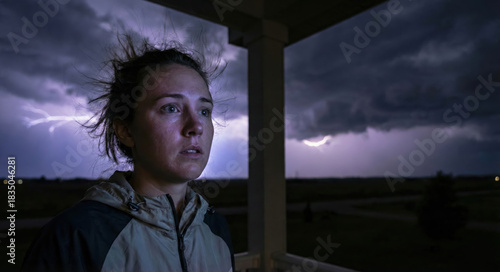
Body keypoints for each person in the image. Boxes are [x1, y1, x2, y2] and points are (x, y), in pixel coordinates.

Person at [21, 35, 234, 272]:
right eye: (171, 108)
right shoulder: (73, 237)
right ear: (125, 130)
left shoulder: (216, 227)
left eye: (204, 111)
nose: (196, 126)